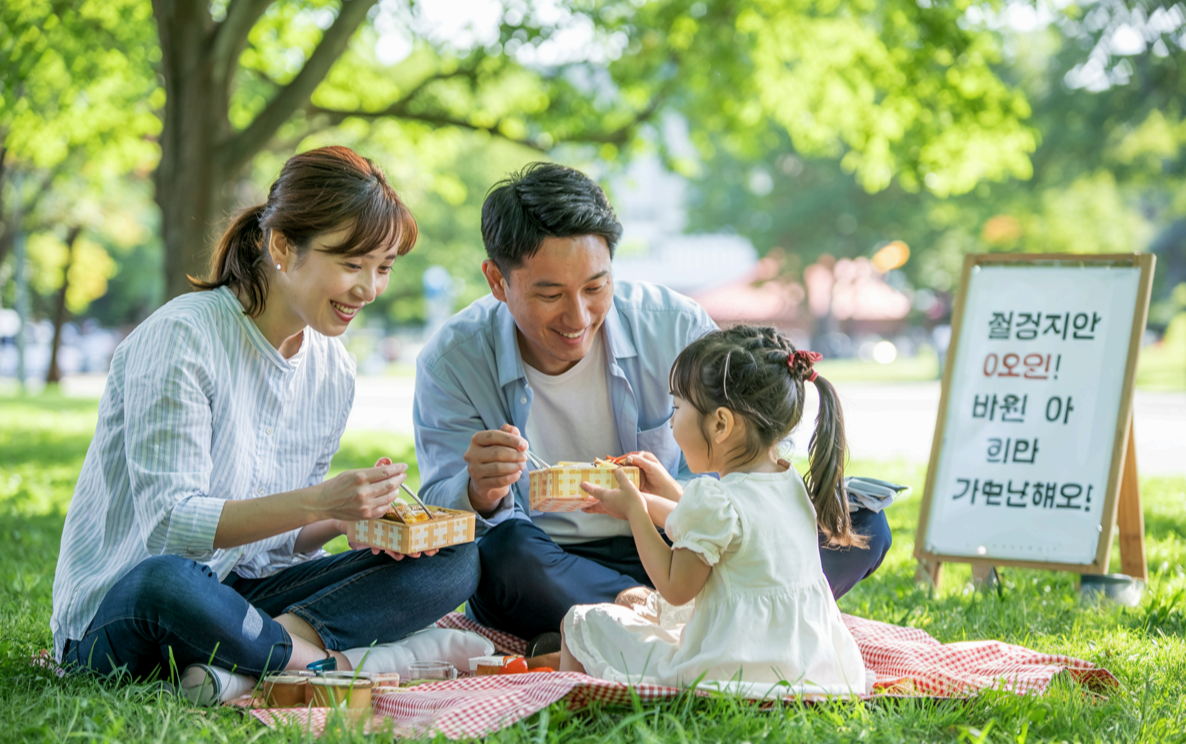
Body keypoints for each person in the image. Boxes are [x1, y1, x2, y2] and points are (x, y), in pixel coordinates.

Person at [50, 146, 480, 702]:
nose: (369, 289)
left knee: (456, 556)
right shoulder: (182, 337)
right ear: (282, 246)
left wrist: (345, 515)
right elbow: (170, 527)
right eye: (352, 264)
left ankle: (249, 663)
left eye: (383, 268)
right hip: (127, 609)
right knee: (169, 582)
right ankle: (322, 664)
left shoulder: (333, 369)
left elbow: (276, 548)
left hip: (240, 599)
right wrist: (320, 502)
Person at [414, 162, 890, 648]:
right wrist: (477, 490)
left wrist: (671, 505)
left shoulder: (676, 328)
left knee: (862, 524)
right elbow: (437, 519)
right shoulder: (453, 362)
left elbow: (749, 462)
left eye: (596, 288)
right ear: (497, 281)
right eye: (550, 294)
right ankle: (703, 618)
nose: (578, 317)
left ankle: (622, 626)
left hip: (686, 544)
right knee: (503, 559)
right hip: (553, 558)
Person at [558, 326, 869, 697]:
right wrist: (646, 501)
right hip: (809, 667)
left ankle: (566, 708)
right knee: (642, 608)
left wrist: (637, 514)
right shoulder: (788, 483)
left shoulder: (714, 499)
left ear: (720, 423)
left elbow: (675, 588)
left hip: (728, 670)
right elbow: (722, 527)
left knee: (581, 622)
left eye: (677, 408)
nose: (671, 422)